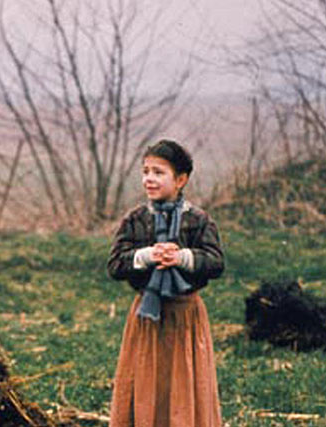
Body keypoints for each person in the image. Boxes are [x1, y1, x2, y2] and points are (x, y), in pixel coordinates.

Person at [106, 139, 224, 426]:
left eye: (159, 172)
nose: (149, 179)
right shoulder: (135, 219)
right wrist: (146, 255)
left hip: (186, 316)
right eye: (145, 171)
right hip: (147, 317)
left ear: (181, 179)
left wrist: (183, 258)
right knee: (146, 378)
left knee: (184, 380)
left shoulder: (198, 220)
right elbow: (115, 265)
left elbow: (216, 263)